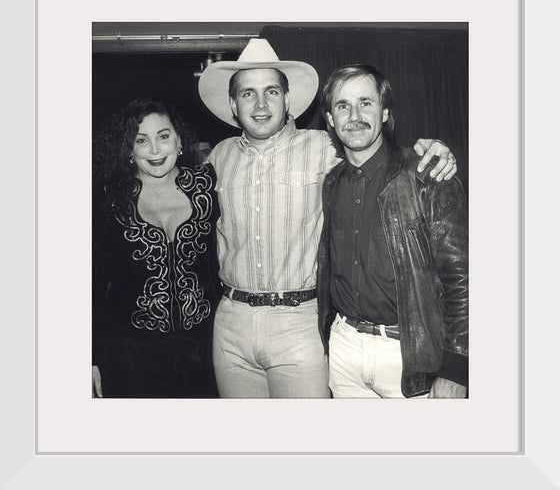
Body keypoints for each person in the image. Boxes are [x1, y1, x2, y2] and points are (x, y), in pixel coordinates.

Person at [198, 39, 458, 398]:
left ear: (288, 100)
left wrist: (433, 150)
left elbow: (379, 151)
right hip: (230, 322)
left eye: (272, 91)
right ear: (232, 104)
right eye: (247, 94)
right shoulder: (217, 157)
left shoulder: (326, 146)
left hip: (299, 322)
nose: (260, 104)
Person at [316, 64, 468, 398]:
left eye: (365, 103)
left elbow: (463, 278)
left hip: (410, 353)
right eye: (343, 106)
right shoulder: (330, 183)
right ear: (330, 119)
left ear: (384, 112)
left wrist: (457, 369)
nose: (354, 115)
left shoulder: (426, 175)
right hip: (343, 351)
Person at [92, 99, 220, 398]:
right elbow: (91, 283)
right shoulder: (109, 199)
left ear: (179, 140)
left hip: (205, 351)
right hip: (129, 354)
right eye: (141, 140)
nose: (154, 150)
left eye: (163, 136)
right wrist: (90, 356)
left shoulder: (208, 187)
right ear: (129, 150)